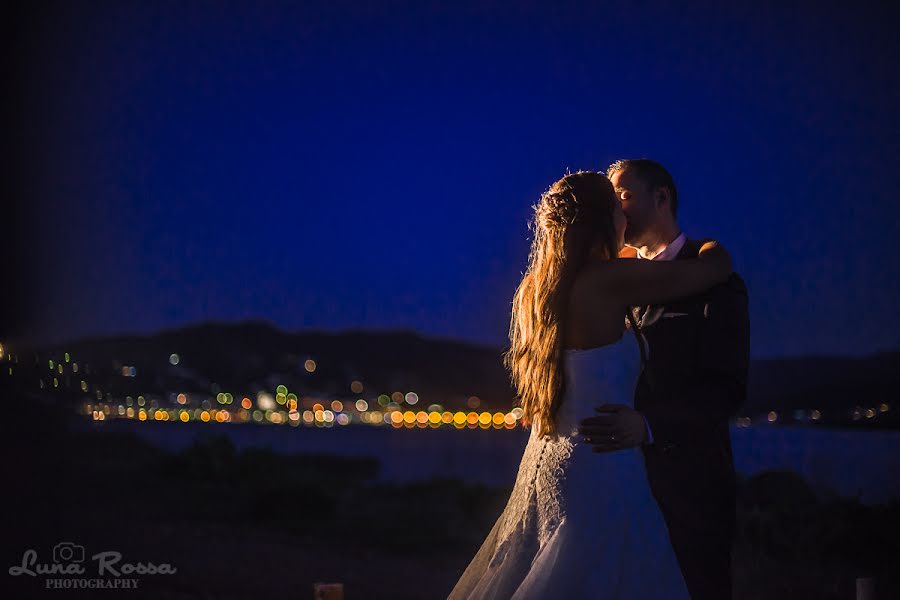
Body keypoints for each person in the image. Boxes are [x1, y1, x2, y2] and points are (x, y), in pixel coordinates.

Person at [448, 170, 733, 599]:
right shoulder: (607, 280)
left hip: (547, 462)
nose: (625, 217)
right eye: (617, 209)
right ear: (601, 221)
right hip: (601, 463)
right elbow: (710, 271)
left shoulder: (533, 290)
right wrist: (712, 247)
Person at [579, 159, 750, 600]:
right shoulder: (608, 276)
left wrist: (649, 424)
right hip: (615, 482)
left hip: (689, 487)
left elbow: (725, 389)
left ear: (662, 198)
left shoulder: (716, 280)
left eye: (624, 196)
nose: (616, 209)